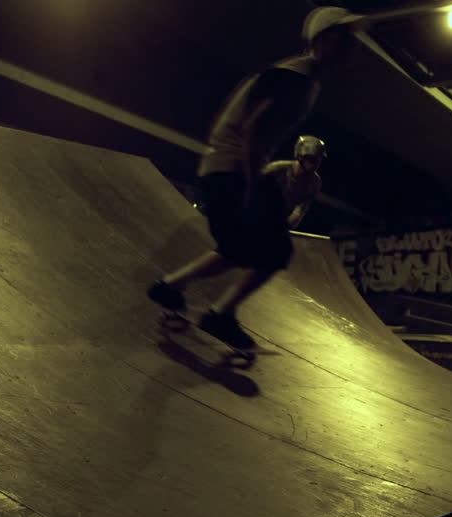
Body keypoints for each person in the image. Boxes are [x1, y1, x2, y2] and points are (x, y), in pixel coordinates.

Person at [147, 7, 360, 349]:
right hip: (233, 169)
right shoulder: (299, 77)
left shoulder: (302, 76)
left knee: (238, 249)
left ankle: (170, 287)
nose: (353, 46)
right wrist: (251, 183)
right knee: (274, 250)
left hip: (225, 168)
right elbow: (253, 127)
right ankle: (219, 315)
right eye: (345, 38)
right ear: (322, 39)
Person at [263, 135, 326, 230]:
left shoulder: (314, 182)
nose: (316, 164)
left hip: (279, 219)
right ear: (300, 156)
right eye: (312, 159)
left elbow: (299, 211)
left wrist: (281, 229)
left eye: (319, 159)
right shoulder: (277, 169)